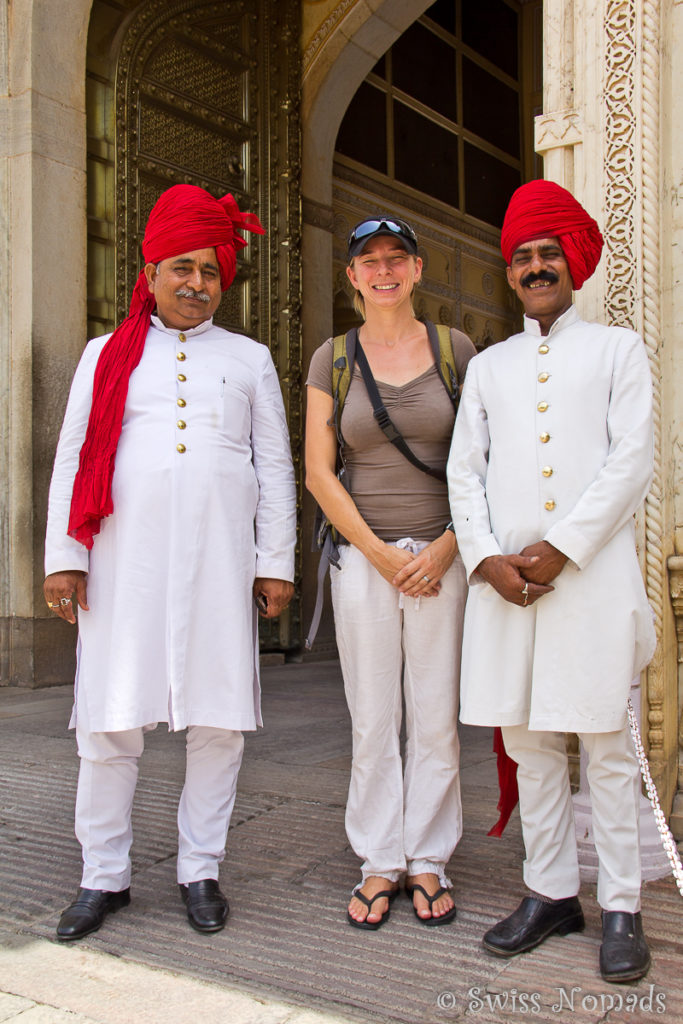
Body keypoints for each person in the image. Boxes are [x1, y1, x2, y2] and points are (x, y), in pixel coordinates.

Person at [44, 184, 297, 940]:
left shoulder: (249, 359)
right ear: (150, 272)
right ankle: (104, 877)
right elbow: (71, 459)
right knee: (109, 721)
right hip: (124, 561)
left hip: (221, 564)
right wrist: (66, 556)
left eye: (210, 271)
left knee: (218, 721)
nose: (196, 284)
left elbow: (275, 467)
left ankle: (200, 869)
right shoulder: (104, 355)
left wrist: (274, 561)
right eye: (181, 268)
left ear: (224, 279)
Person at [447, 179, 655, 982]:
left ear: (573, 262)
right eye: (523, 256)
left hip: (590, 582)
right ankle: (549, 893)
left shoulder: (617, 350)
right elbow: (464, 472)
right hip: (505, 587)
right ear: (509, 271)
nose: (536, 266)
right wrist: (485, 558)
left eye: (548, 253)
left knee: (603, 747)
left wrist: (561, 547)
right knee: (528, 743)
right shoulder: (491, 366)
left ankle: (622, 908)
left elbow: (628, 462)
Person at [305, 216, 476, 929]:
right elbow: (318, 470)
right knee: (373, 715)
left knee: (434, 714)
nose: (382, 270)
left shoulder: (453, 349)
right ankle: (380, 858)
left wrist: (444, 548)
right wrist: (379, 554)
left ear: (417, 269)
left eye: (395, 258)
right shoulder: (331, 358)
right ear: (351, 276)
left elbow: (482, 463)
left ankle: (428, 856)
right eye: (368, 260)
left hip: (444, 554)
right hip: (363, 559)